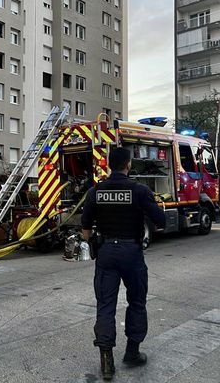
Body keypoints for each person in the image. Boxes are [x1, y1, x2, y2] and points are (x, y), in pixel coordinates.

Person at [80, 148, 166, 381]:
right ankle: (132, 352)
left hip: (106, 252)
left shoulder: (95, 192)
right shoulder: (139, 190)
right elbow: (160, 221)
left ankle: (106, 361)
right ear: (128, 165)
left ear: (109, 165)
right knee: (136, 301)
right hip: (132, 252)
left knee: (105, 305)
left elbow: (85, 231)